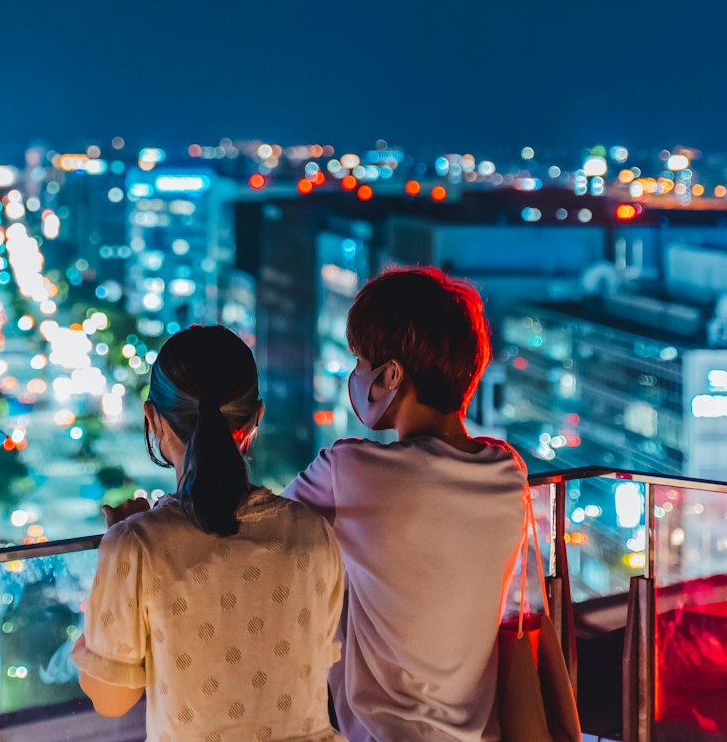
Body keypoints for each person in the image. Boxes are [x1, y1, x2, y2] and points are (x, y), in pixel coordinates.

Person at [285, 267, 526, 742]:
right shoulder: (507, 470)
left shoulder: (350, 469)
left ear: (390, 375)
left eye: (359, 362)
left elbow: (255, 529)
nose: (355, 376)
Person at [74, 324, 347, 741]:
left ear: (154, 420)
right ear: (255, 418)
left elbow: (112, 700)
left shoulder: (136, 546)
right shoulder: (312, 533)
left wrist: (117, 554)